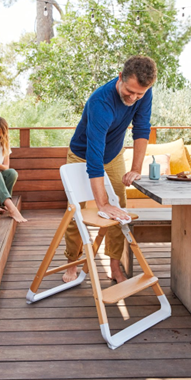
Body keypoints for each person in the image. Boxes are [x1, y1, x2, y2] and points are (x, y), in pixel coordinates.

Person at [62, 55, 157, 284]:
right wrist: (102, 204)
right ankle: (73, 262)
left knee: (119, 211)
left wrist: (135, 168)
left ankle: (114, 264)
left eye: (139, 94)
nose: (133, 98)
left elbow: (142, 128)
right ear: (120, 78)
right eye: (129, 92)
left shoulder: (142, 92)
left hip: (113, 156)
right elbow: (94, 157)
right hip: (82, 155)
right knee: (76, 212)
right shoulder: (100, 102)